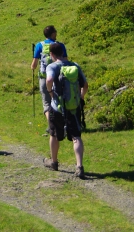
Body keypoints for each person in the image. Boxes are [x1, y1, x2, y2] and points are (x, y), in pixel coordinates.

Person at [44, 42, 88, 179]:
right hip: (74, 108)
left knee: (54, 134)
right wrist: (80, 97)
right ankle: (79, 166)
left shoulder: (52, 66)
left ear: (52, 54)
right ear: (63, 52)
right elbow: (85, 85)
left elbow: (49, 79)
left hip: (57, 107)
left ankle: (54, 162)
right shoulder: (74, 65)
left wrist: (50, 91)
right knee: (76, 136)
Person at [31, 26, 67, 129]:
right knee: (59, 101)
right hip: (58, 77)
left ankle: (52, 125)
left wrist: (32, 68)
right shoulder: (60, 46)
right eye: (55, 32)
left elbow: (34, 65)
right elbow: (66, 61)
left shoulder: (39, 45)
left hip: (44, 77)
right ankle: (63, 123)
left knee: (46, 103)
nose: (56, 33)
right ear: (52, 34)